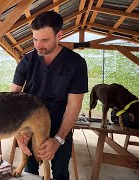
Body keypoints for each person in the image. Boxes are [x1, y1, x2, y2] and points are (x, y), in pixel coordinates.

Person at [10, 11, 88, 180]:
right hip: (30, 127)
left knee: (60, 173)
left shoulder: (76, 63)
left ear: (59, 35)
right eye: (35, 39)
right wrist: (18, 134)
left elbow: (74, 105)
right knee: (29, 172)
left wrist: (58, 140)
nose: (38, 45)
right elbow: (11, 99)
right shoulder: (27, 60)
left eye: (44, 40)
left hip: (60, 128)